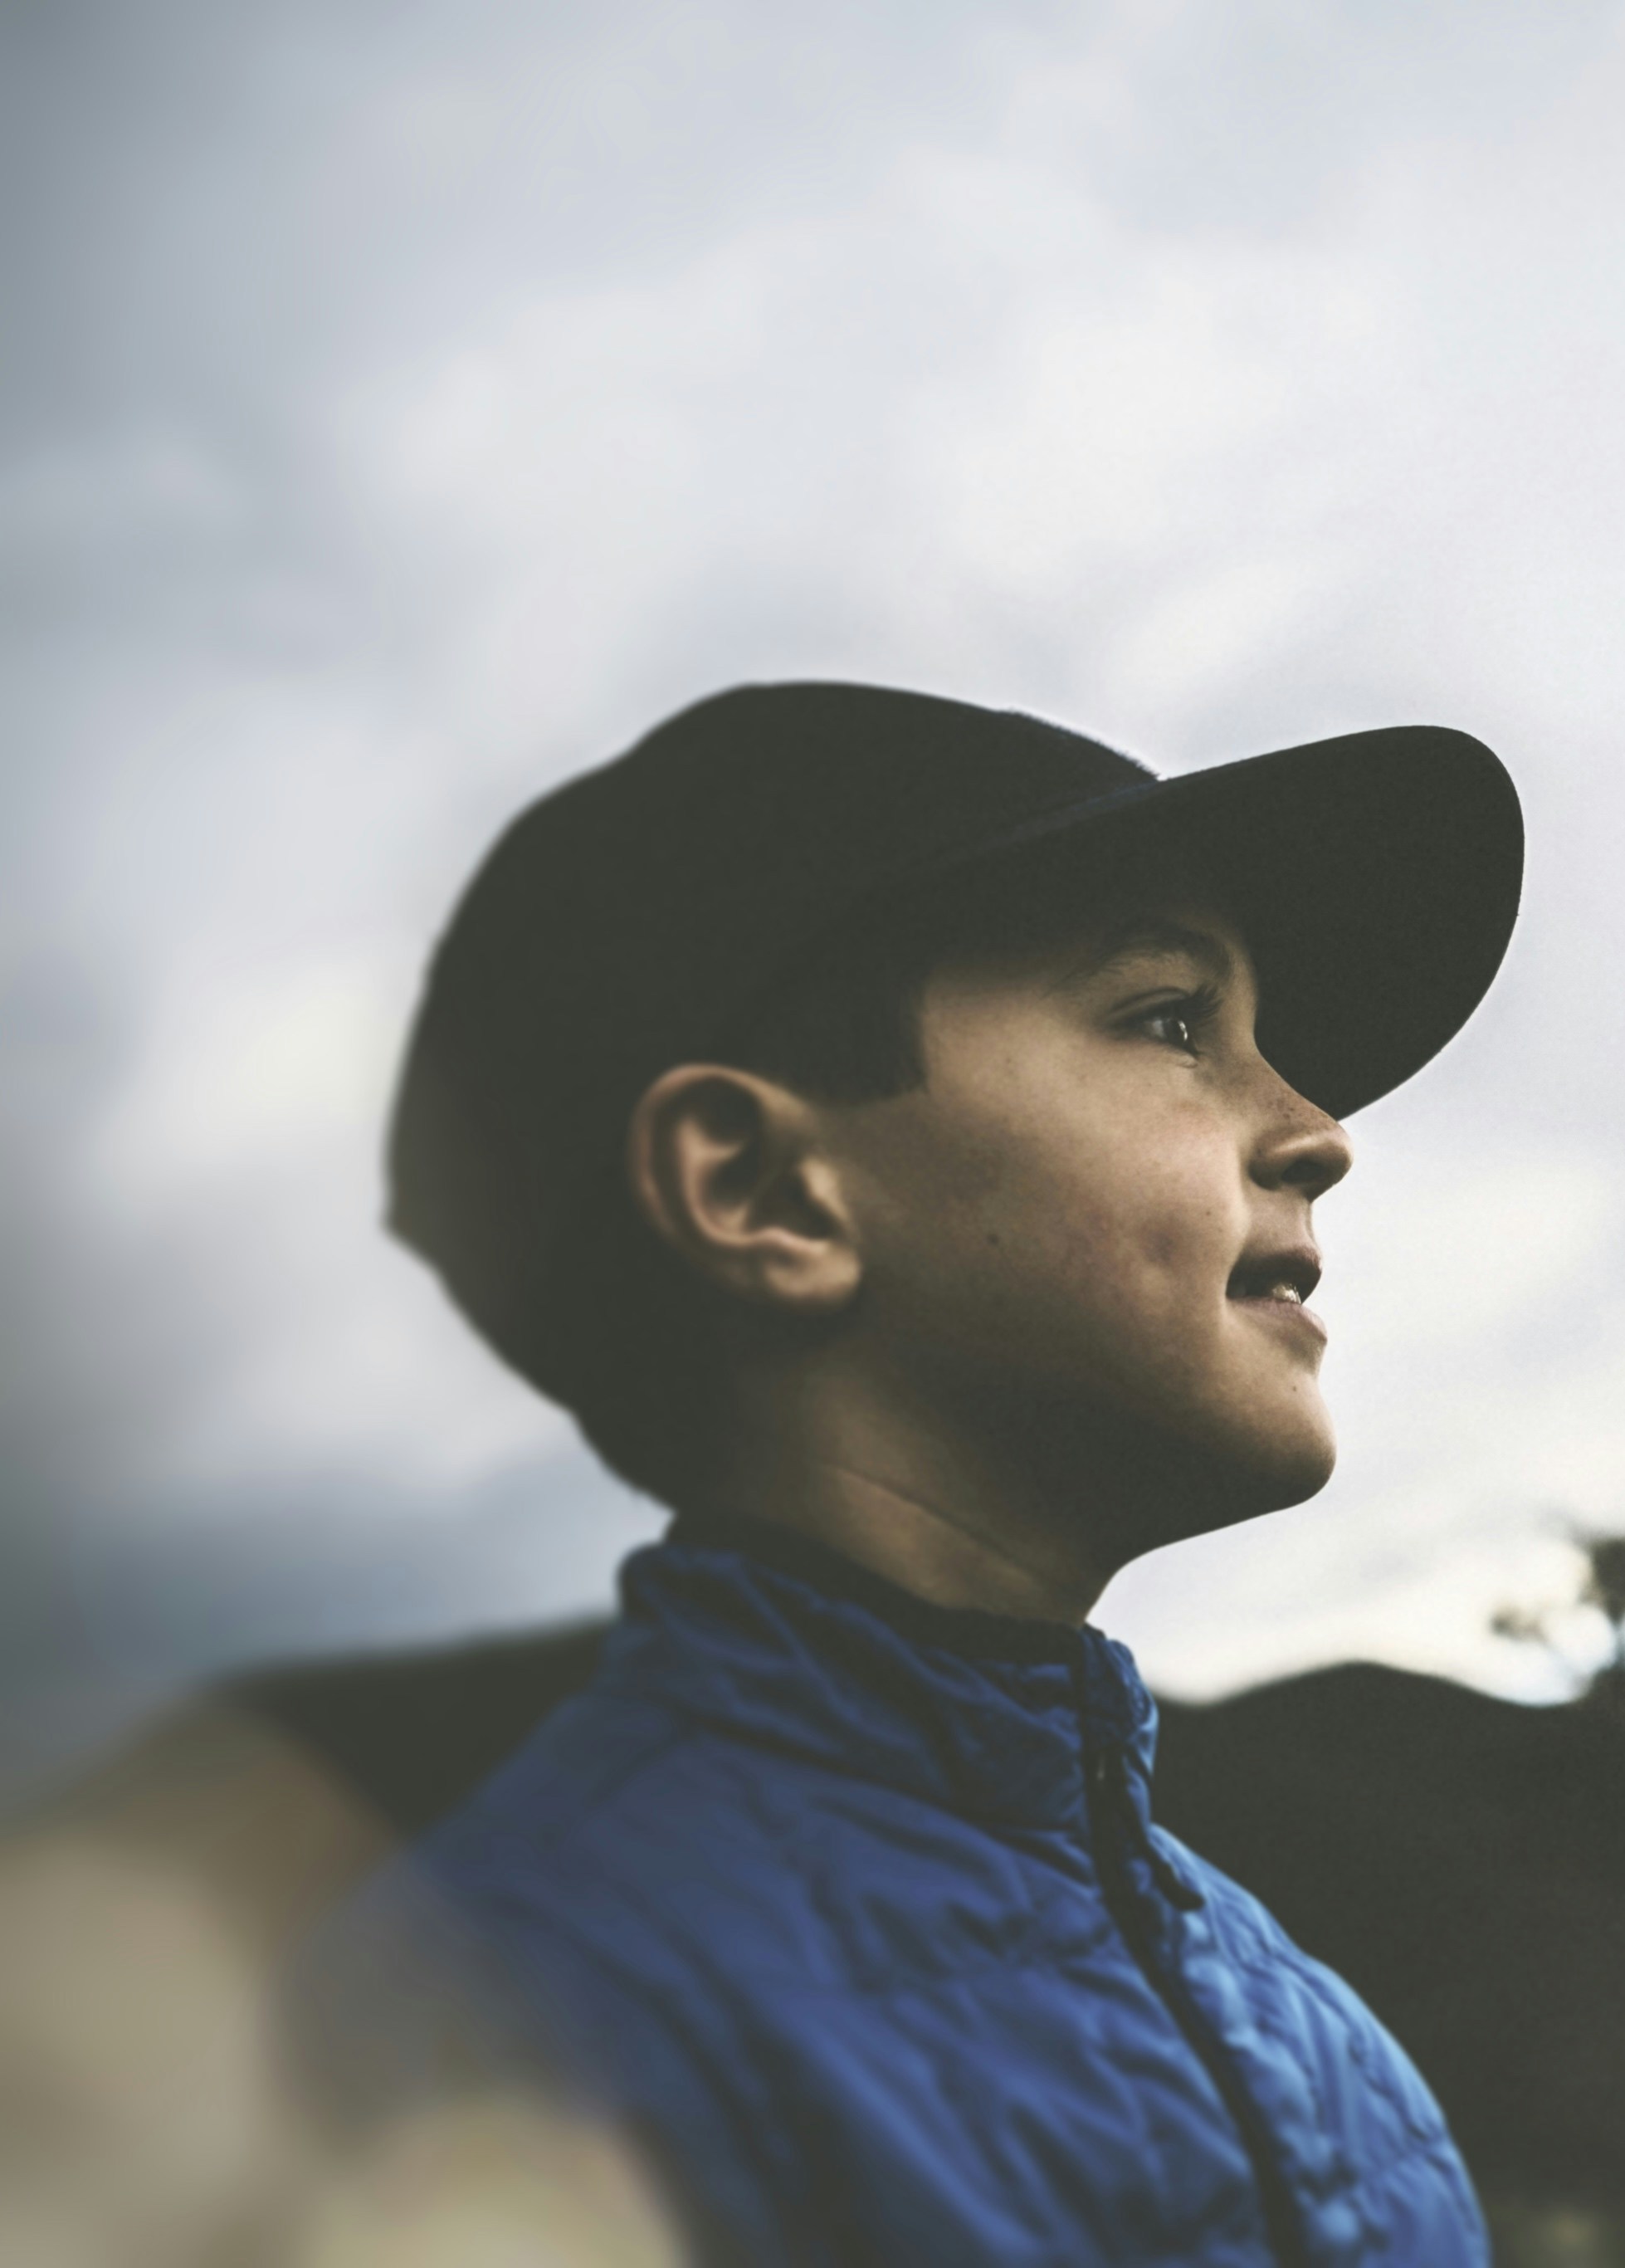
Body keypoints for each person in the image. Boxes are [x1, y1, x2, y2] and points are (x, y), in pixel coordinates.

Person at [296, 682, 1523, 2266]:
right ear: (766, 1193)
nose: (1318, 1129)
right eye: (1171, 1019)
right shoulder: (485, 2040)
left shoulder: (1328, 2044)